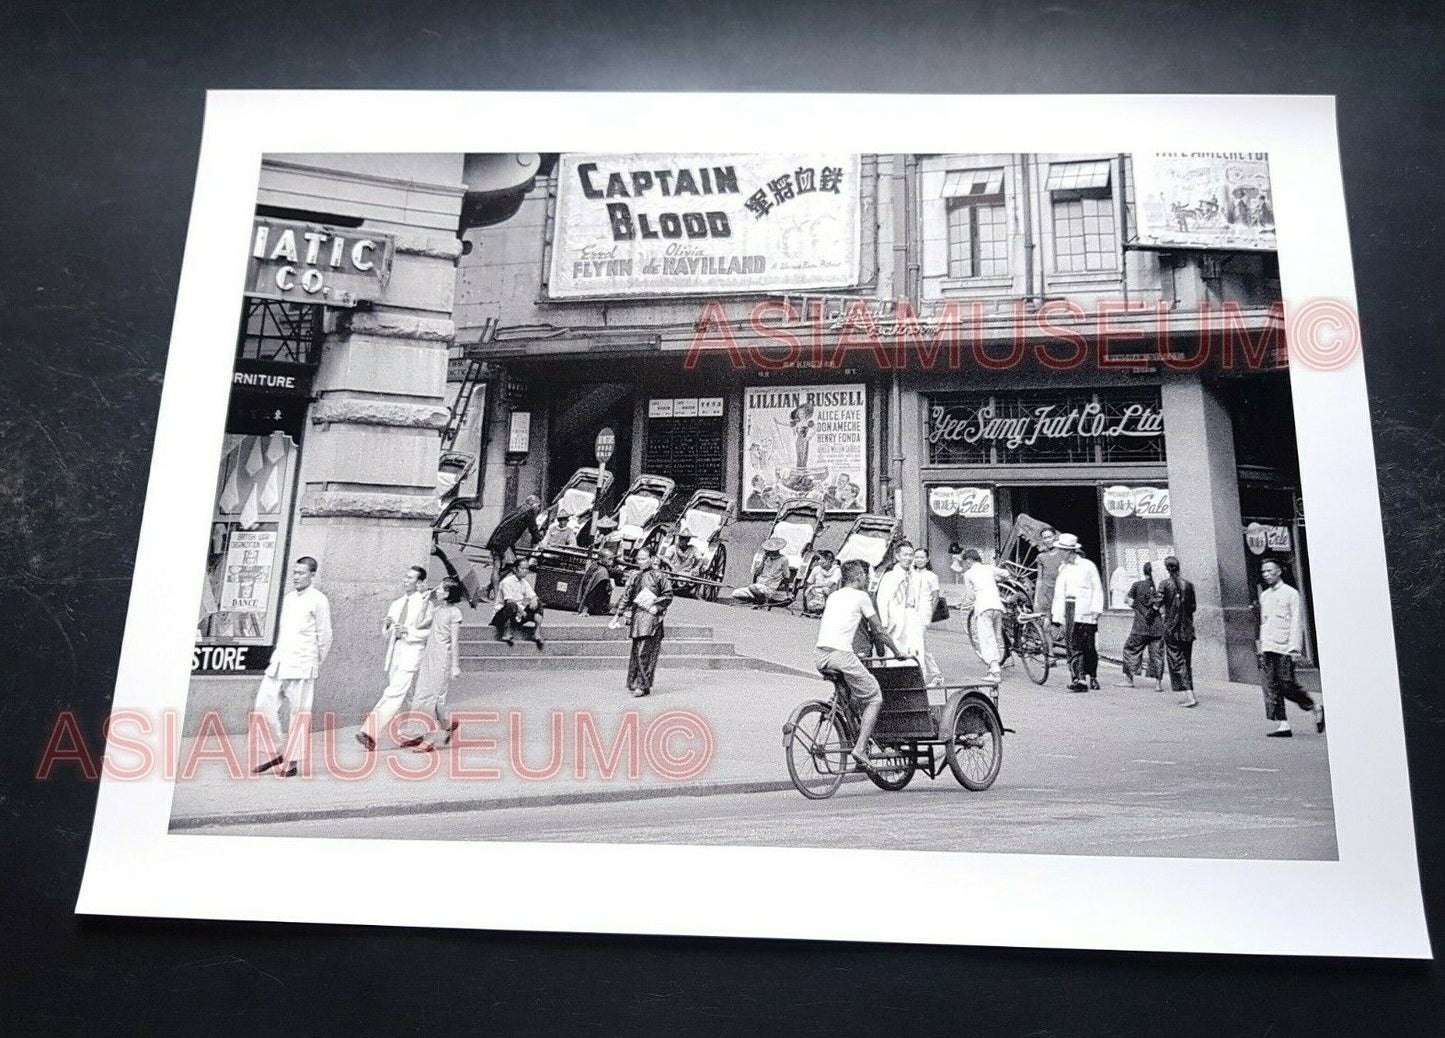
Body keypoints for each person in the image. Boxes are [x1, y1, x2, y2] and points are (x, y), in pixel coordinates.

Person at [815, 558, 906, 773]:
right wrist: (897, 652)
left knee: (850, 700)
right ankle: (860, 748)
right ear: (858, 577)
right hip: (842, 655)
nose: (867, 579)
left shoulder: (834, 596)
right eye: (865, 575)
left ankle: (853, 736)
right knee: (874, 696)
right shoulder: (862, 597)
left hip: (821, 656)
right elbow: (879, 630)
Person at [251, 556, 332, 776]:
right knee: (262, 706)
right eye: (294, 572)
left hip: (303, 663)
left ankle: (292, 762)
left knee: (299, 713)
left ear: (312, 575)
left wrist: (314, 662)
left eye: (301, 573)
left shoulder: (319, 600)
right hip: (280, 661)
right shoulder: (288, 598)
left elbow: (325, 637)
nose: (296, 577)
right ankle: (275, 752)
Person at [358, 564, 433, 751]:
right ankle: (417, 733)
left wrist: (409, 632)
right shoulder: (397, 603)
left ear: (420, 582)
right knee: (406, 697)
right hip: (395, 654)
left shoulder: (425, 604)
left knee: (393, 693)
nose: (406, 581)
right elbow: (387, 633)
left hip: (412, 654)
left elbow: (428, 633)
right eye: (405, 577)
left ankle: (370, 732)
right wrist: (389, 627)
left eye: (411, 578)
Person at [1257, 557, 1321, 736]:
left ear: (1279, 571)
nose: (1267, 574)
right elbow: (1264, 622)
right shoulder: (1264, 596)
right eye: (1264, 572)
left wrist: (1294, 647)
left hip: (1284, 646)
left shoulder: (1291, 593)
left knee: (1286, 684)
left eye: (1270, 570)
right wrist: (1262, 645)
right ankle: (1283, 724)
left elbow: (1296, 621)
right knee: (1271, 685)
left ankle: (1313, 706)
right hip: (1269, 645)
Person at [404, 578, 464, 752]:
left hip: (442, 659)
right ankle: (446, 725)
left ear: (447, 593)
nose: (436, 591)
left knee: (432, 698)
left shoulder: (455, 613)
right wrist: (424, 603)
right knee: (423, 695)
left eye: (440, 589)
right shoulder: (437, 610)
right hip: (429, 656)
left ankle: (429, 739)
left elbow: (454, 642)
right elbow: (418, 624)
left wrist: (455, 665)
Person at [612, 546, 673, 697]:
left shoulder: (660, 576)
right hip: (637, 617)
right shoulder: (635, 576)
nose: (640, 562)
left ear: (652, 559)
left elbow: (668, 595)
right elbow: (627, 596)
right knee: (636, 652)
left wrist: (656, 606)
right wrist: (618, 614)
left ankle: (642, 684)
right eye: (638, 559)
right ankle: (635, 682)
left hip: (652, 618)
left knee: (644, 653)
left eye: (643, 559)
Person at [1051, 534, 1104, 692]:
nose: (1060, 553)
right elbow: (1059, 593)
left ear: (1069, 551)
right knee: (1073, 645)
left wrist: (1096, 610)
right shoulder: (1063, 568)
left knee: (1088, 646)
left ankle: (1093, 676)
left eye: (1062, 550)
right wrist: (1057, 616)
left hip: (1086, 609)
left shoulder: (1088, 566)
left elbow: (1097, 588)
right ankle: (1079, 679)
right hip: (1069, 608)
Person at [959, 548, 1009, 683]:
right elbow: (1006, 573)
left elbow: (970, 595)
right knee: (997, 636)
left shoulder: (968, 574)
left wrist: (966, 602)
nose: (965, 564)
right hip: (997, 606)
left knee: (986, 638)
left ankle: (995, 670)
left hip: (983, 607)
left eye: (965, 562)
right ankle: (997, 662)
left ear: (969, 560)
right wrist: (996, 579)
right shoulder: (988, 568)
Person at [1116, 562, 1165, 691]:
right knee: (1157, 655)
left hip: (1140, 626)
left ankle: (1129, 679)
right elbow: (1163, 609)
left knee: (1131, 650)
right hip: (1157, 627)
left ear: (1144, 572)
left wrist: (1138, 606)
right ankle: (1158, 683)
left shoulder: (1137, 585)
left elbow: (1130, 601)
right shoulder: (1160, 588)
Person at [1158, 556, 1200, 708]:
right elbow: (1193, 607)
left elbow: (1157, 603)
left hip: (1172, 628)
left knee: (1176, 662)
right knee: (1186, 661)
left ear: (1167, 568)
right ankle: (1190, 692)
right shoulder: (1188, 585)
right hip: (1187, 628)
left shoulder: (1164, 584)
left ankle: (1189, 694)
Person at [485, 493, 542, 595]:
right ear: (533, 504)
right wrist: (540, 542)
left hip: (499, 539)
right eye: (538, 506)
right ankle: (492, 591)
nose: (539, 509)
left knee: (500, 566)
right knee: (508, 566)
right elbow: (533, 530)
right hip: (505, 542)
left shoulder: (520, 509)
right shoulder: (529, 512)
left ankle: (490, 589)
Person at [493, 558, 545, 649]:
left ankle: (536, 633)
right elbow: (509, 601)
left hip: (518, 615)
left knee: (539, 603)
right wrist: (522, 612)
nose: (525, 571)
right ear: (515, 569)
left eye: (527, 569)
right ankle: (507, 632)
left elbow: (532, 595)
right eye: (522, 568)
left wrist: (534, 599)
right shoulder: (507, 582)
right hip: (503, 615)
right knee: (511, 605)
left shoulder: (524, 582)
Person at [909, 548, 943, 685]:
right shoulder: (911, 574)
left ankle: (925, 675)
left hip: (924, 612)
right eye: (916, 557)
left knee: (921, 645)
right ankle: (936, 675)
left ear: (927, 559)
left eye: (922, 557)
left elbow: (935, 598)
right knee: (921, 645)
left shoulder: (931, 576)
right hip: (912, 612)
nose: (918, 560)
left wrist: (929, 615)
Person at [731, 536, 791, 606]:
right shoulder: (765, 558)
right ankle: (758, 600)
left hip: (768, 588)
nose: (767, 553)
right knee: (735, 593)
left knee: (752, 587)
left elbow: (787, 576)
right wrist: (763, 561)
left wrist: (787, 593)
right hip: (758, 587)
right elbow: (757, 573)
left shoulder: (783, 559)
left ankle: (762, 600)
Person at [1032, 526, 1067, 615]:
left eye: (1049, 537)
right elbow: (1039, 579)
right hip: (1046, 594)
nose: (1047, 540)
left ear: (1055, 537)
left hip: (1061, 593)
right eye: (1045, 538)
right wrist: (1036, 601)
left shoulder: (1064, 554)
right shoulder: (1041, 557)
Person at [803, 549, 842, 615]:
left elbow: (830, 584)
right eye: (819, 559)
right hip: (816, 594)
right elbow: (809, 582)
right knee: (809, 590)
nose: (819, 561)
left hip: (829, 593)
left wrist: (814, 586)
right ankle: (811, 609)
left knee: (825, 589)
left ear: (829, 560)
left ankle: (826, 609)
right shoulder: (816, 569)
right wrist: (812, 589)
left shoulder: (837, 570)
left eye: (821, 559)